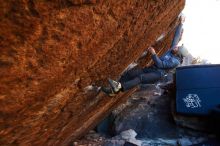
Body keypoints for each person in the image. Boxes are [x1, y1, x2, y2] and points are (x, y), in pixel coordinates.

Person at [101, 44, 189, 96]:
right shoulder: (172, 51)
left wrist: (154, 54)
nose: (176, 47)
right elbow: (175, 40)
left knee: (140, 78)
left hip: (157, 74)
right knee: (131, 74)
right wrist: (180, 24)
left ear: (179, 53)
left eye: (178, 48)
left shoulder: (175, 61)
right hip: (152, 69)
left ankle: (119, 87)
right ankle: (114, 90)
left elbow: (160, 64)